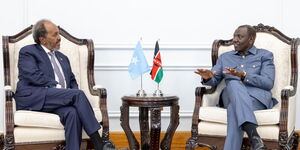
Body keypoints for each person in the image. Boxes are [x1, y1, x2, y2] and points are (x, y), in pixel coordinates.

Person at [14, 19, 125, 150]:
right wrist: (60, 89)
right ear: (42, 39)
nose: (59, 38)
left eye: (59, 34)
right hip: (35, 97)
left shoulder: (62, 58)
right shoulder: (28, 52)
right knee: (77, 95)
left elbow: (72, 81)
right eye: (55, 35)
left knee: (72, 112)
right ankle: (99, 144)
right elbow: (32, 75)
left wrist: (69, 95)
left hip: (57, 100)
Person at [195, 25, 277, 150]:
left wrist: (243, 75)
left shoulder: (264, 55)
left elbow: (267, 83)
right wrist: (207, 77)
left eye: (240, 36)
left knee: (234, 108)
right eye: (234, 36)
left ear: (251, 39)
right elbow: (214, 79)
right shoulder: (225, 57)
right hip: (230, 95)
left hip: (256, 98)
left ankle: (253, 136)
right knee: (233, 83)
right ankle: (253, 135)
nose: (235, 39)